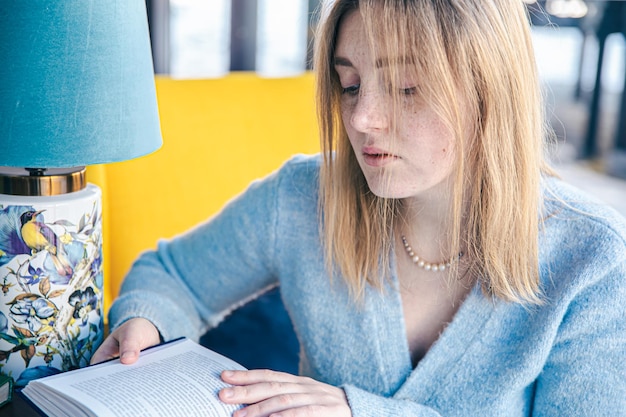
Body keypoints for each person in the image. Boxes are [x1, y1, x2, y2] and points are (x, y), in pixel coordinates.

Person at [92, 0, 626, 415]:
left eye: (406, 87)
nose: (364, 118)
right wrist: (147, 320)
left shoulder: (594, 257)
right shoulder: (301, 197)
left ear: (490, 89)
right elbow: (171, 275)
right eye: (350, 84)